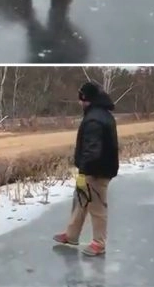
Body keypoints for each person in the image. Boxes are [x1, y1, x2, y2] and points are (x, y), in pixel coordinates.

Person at [53, 82, 119, 256]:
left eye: (82, 99)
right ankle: (71, 235)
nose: (80, 103)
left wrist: (84, 168)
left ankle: (99, 243)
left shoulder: (94, 119)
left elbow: (93, 150)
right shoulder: (100, 114)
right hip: (88, 170)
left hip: (97, 171)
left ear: (87, 99)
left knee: (97, 207)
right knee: (81, 201)